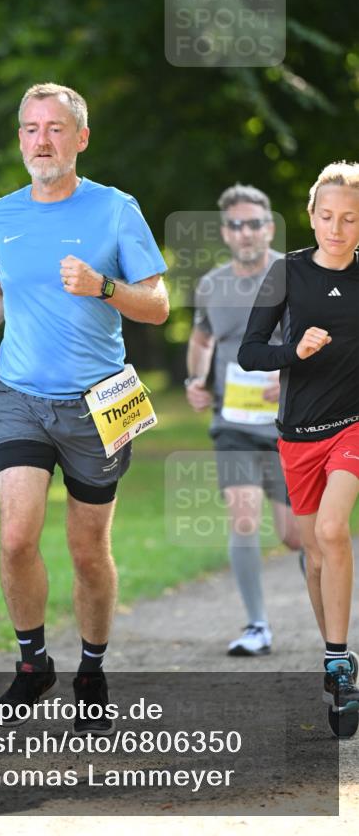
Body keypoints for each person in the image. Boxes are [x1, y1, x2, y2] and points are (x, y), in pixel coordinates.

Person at [0, 82, 168, 734]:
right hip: (19, 396)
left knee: (88, 550)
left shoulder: (116, 209)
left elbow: (157, 305)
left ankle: (91, 667)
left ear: (80, 138)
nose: (41, 141)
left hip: (101, 403)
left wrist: (102, 286)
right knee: (16, 538)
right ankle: (32, 662)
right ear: (20, 138)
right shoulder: (1, 213)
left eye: (55, 128)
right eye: (31, 128)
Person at [238, 162, 359, 711]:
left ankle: (339, 662)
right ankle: (335, 656)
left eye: (350, 218)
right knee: (314, 555)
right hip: (298, 433)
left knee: (333, 530)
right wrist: (295, 351)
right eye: (327, 216)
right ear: (311, 216)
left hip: (352, 426)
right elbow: (250, 352)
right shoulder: (285, 272)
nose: (337, 228)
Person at [185, 184, 302, 656]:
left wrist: (289, 377)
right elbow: (202, 338)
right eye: (236, 225)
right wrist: (195, 380)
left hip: (291, 424)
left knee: (296, 536)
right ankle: (257, 626)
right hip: (232, 424)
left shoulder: (295, 278)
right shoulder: (212, 285)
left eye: (254, 223)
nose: (246, 232)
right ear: (225, 233)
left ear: (269, 228)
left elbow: (325, 342)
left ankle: (329, 621)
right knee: (244, 516)